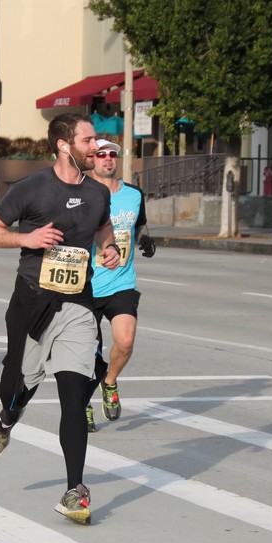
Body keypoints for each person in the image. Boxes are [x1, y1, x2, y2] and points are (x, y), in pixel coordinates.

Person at [0, 113, 119, 525]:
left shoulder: (97, 192)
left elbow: (103, 228)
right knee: (15, 389)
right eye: (88, 140)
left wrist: (108, 247)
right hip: (32, 303)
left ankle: (75, 490)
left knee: (74, 397)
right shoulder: (32, 188)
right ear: (63, 145)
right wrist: (27, 238)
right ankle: (6, 420)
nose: (96, 147)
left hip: (79, 304)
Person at [84, 138, 154, 432]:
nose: (107, 159)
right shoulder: (81, 193)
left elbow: (139, 225)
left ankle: (109, 381)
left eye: (112, 154)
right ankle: (82, 404)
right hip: (85, 286)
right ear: (92, 159)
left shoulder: (134, 194)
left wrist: (145, 239)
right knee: (87, 354)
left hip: (121, 282)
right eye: (101, 154)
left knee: (125, 342)